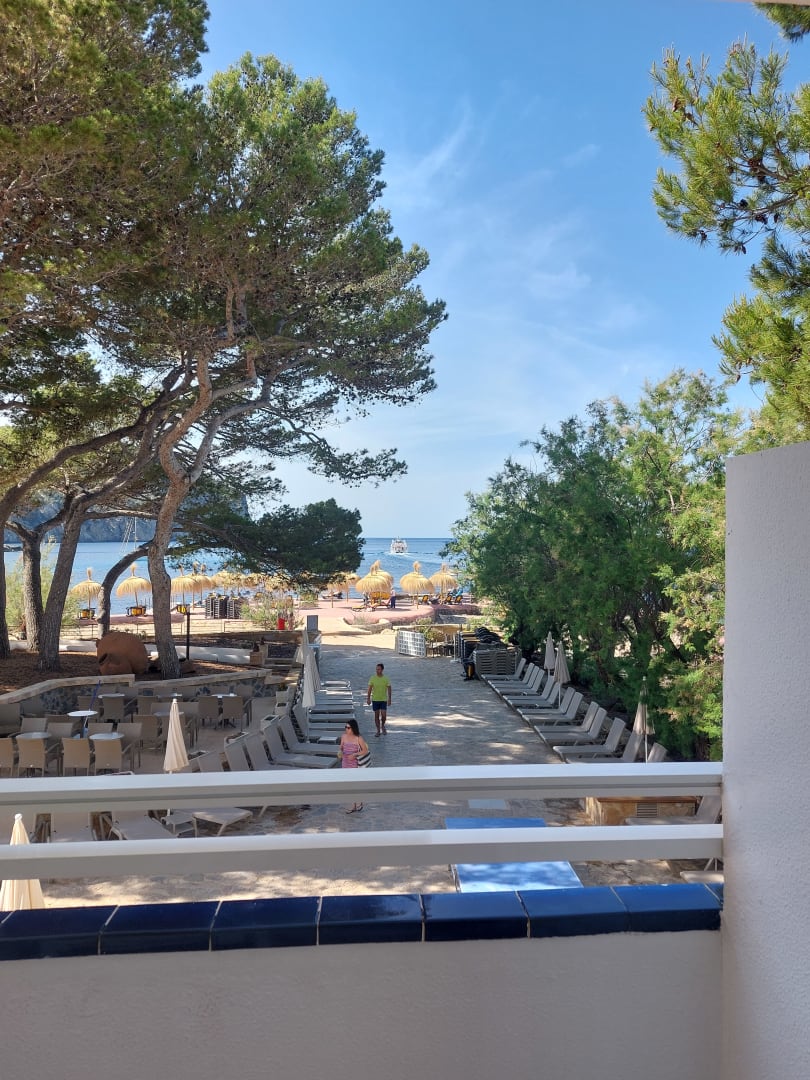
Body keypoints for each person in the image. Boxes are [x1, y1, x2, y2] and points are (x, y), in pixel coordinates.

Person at [338, 717, 368, 813]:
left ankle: (356, 803)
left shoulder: (358, 738)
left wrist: (355, 754)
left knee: (354, 785)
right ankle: (354, 804)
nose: (346, 729)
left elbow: (365, 750)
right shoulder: (343, 736)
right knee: (348, 785)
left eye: (348, 728)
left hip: (354, 764)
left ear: (353, 728)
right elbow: (341, 747)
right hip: (345, 762)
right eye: (345, 727)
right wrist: (340, 752)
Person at [367, 662, 392, 736]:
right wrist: (368, 698)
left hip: (383, 699)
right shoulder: (372, 678)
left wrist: (389, 699)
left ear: (382, 670)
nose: (377, 671)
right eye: (376, 669)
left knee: (384, 715)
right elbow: (369, 689)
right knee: (376, 715)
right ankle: (378, 730)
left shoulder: (386, 678)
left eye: (379, 669)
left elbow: (389, 689)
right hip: (375, 699)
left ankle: (383, 725)